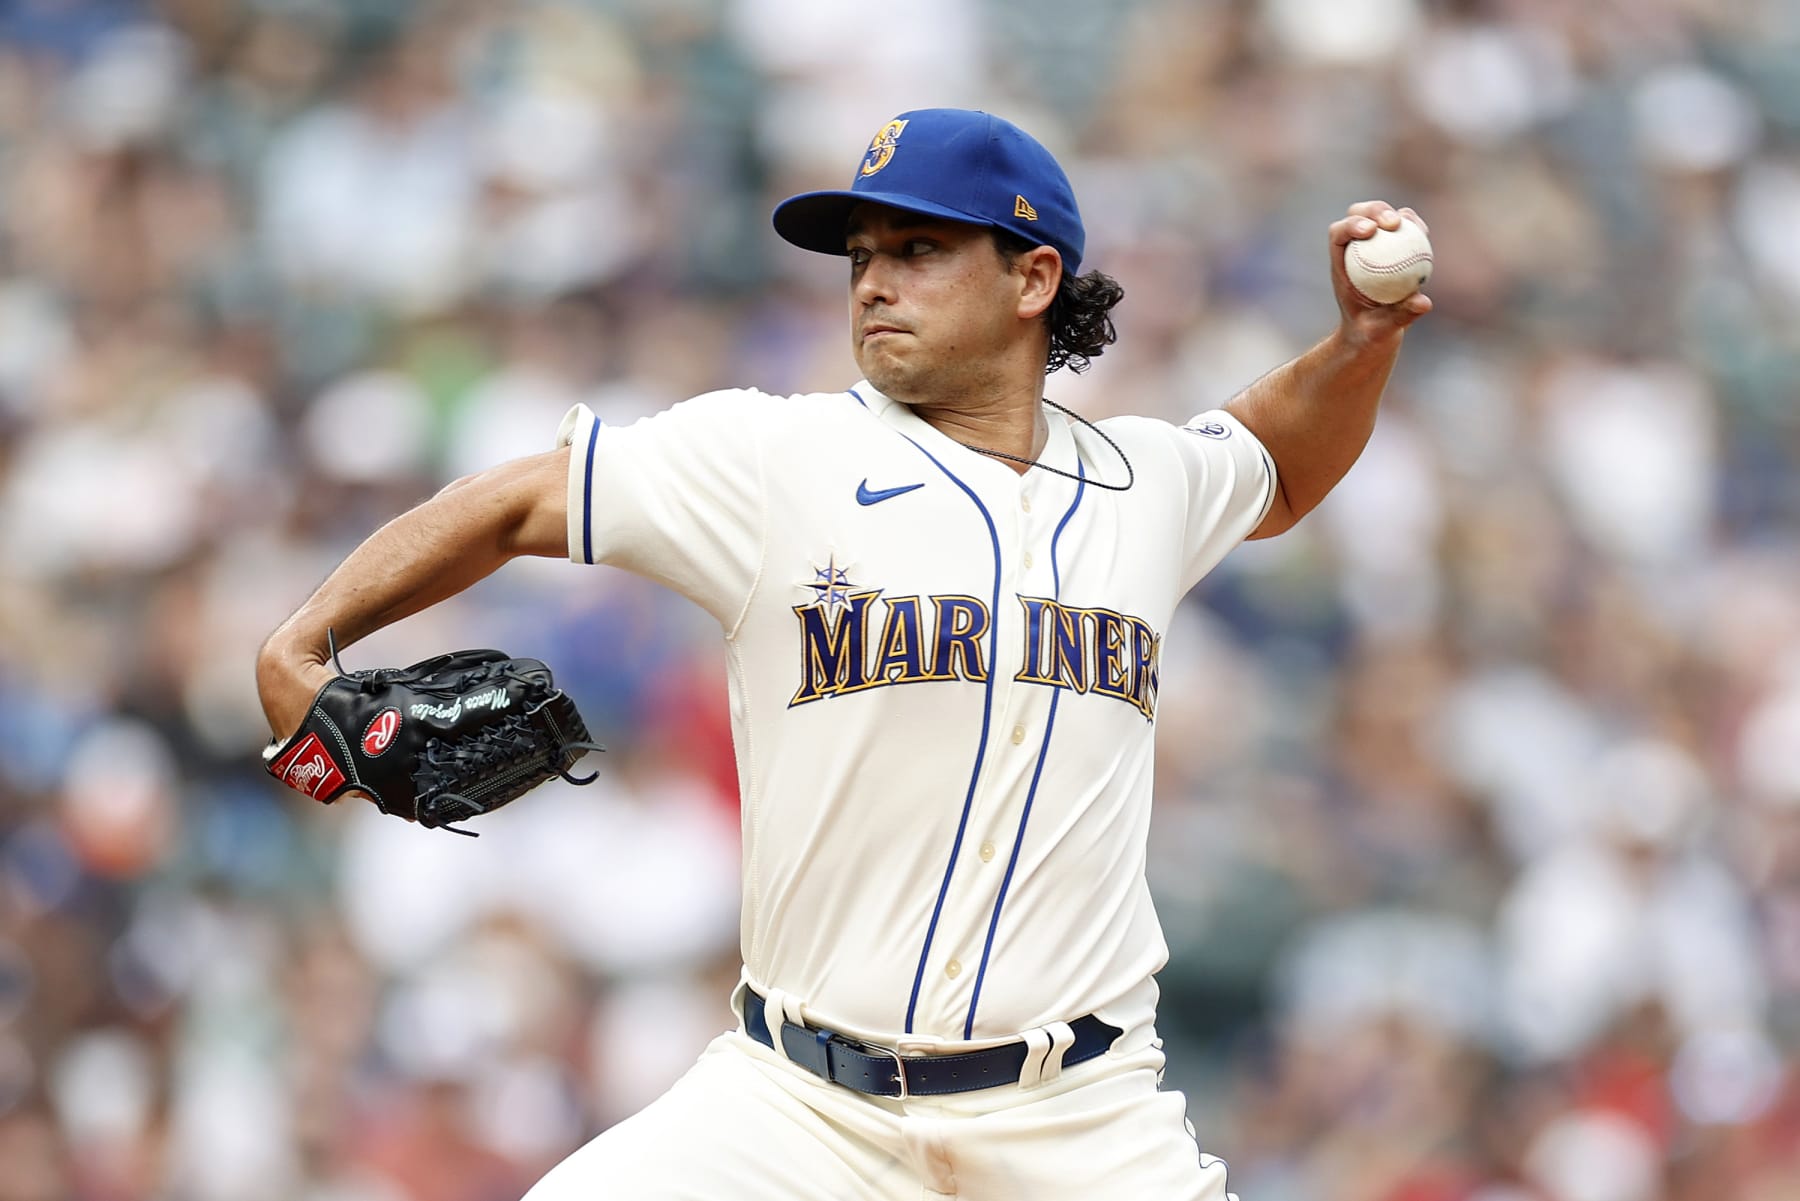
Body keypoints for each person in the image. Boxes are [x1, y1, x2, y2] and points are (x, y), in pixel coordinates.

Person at [257, 107, 1430, 1200]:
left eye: (917, 250)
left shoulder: (1146, 480)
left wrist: (1362, 340)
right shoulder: (776, 457)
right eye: (861, 255)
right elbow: (520, 501)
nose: (873, 281)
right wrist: (306, 640)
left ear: (1033, 278)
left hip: (1079, 1119)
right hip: (796, 1106)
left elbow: (1276, 458)